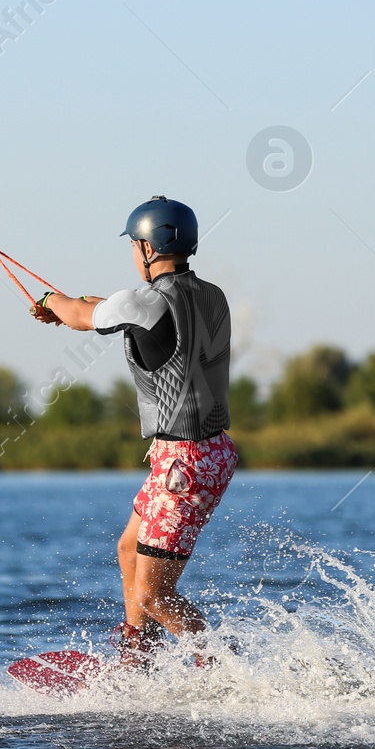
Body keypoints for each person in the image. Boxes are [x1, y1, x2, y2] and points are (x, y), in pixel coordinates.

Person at [31, 196, 237, 667]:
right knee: (128, 548)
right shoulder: (212, 295)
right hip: (205, 451)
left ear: (148, 246)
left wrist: (50, 303)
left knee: (154, 596)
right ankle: (136, 661)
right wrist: (76, 305)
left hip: (184, 463)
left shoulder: (142, 301)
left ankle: (227, 673)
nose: (132, 253)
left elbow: (87, 315)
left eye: (134, 245)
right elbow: (112, 309)